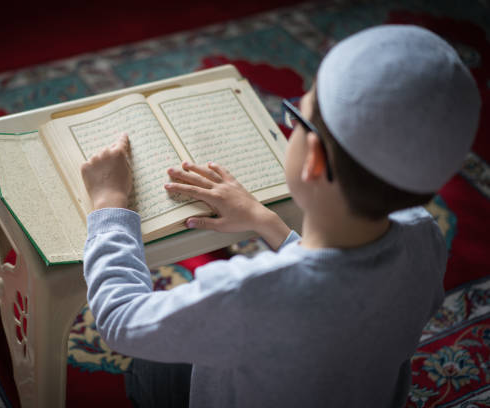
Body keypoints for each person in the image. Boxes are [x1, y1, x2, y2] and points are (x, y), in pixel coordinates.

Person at [79, 25, 481, 407]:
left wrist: (111, 204)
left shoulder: (253, 290)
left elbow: (120, 320)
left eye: (296, 114)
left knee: (148, 367)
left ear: (315, 158)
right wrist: (264, 220)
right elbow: (343, 292)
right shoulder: (425, 236)